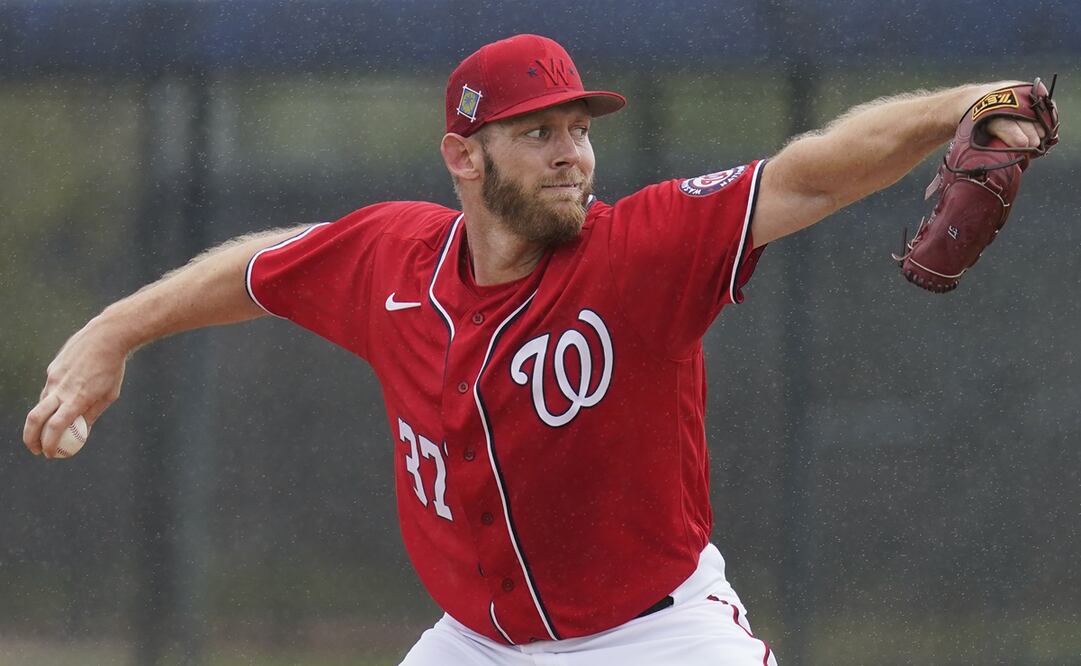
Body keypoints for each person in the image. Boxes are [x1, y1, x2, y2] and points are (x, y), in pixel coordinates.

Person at [23, 34, 1050, 665]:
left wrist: (965, 105)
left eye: (578, 127)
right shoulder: (393, 258)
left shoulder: (640, 250)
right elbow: (258, 267)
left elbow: (812, 173)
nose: (572, 152)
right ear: (462, 157)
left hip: (655, 639)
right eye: (537, 133)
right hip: (475, 644)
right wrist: (115, 331)